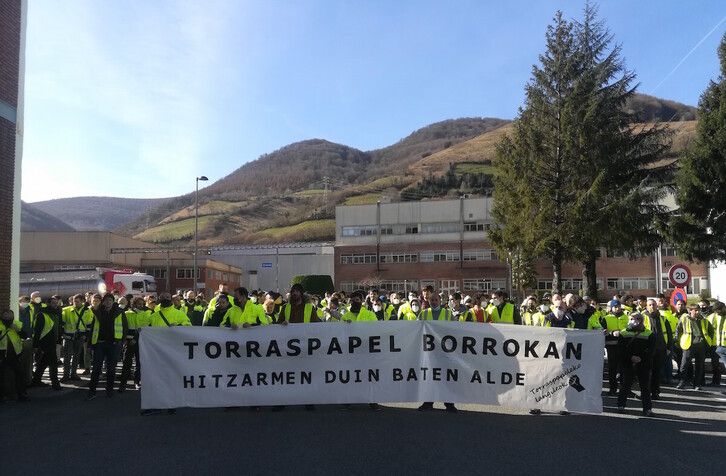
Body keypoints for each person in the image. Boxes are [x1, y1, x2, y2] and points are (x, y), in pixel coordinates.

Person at [417, 292, 457, 413]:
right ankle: (428, 402)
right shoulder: (423, 314)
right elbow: (415, 330)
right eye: (431, 300)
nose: (434, 302)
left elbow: (456, 330)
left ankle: (449, 403)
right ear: (428, 301)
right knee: (429, 377)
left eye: (436, 300)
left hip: (444, 350)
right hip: (428, 351)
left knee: (446, 376)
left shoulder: (448, 313)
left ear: (440, 301)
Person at [87, 294, 127, 400]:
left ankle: (109, 390)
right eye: (106, 300)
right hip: (100, 343)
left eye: (110, 300)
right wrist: (90, 345)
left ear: (113, 301)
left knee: (111, 369)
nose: (108, 302)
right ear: (103, 302)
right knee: (96, 368)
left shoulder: (119, 312)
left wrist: (121, 341)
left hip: (114, 344)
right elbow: (92, 329)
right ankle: (92, 390)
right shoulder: (98, 312)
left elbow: (124, 326)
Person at [616, 312, 656, 417]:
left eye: (632, 319)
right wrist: (630, 358)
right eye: (629, 319)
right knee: (625, 385)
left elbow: (651, 350)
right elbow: (621, 349)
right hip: (628, 362)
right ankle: (621, 405)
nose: (630, 321)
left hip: (644, 364)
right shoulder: (624, 333)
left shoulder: (649, 334)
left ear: (640, 321)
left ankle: (647, 409)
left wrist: (641, 358)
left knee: (645, 387)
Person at [676, 303, 714, 391]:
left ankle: (697, 384)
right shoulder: (684, 320)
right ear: (690, 311)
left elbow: (711, 331)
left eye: (698, 310)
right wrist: (679, 342)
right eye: (695, 310)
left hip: (701, 346)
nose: (697, 312)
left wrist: (708, 341)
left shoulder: (704, 320)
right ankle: (682, 382)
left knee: (699, 366)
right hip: (688, 346)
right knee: (684, 365)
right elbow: (678, 331)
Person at [30, 296, 61, 391]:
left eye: (56, 303)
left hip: (53, 342)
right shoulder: (42, 314)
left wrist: (58, 340)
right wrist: (35, 345)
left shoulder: (57, 314)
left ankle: (36, 380)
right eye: (53, 303)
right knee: (53, 363)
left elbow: (58, 328)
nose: (55, 304)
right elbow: (37, 331)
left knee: (44, 362)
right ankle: (55, 383)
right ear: (48, 304)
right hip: (45, 341)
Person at [643, 299, 672, 400]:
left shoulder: (663, 319)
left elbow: (669, 334)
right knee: (646, 373)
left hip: (660, 349)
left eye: (654, 305)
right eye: (650, 305)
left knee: (656, 372)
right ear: (646, 307)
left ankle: (655, 392)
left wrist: (668, 348)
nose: (652, 307)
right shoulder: (642, 318)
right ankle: (646, 393)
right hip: (647, 350)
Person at [0, 309, 30, 402]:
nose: (7, 319)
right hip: (1, 355)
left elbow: (25, 336)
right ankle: (2, 396)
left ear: (13, 318)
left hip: (15, 355)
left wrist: (18, 330)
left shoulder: (17, 324)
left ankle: (22, 394)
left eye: (9, 318)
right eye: (5, 318)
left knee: (21, 374)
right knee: (1, 377)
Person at [60, 294, 91, 382]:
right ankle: (66, 375)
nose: (75, 303)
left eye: (77, 301)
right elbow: (61, 323)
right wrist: (63, 334)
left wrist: (86, 335)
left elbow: (89, 325)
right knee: (67, 356)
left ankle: (74, 373)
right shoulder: (66, 310)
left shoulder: (87, 311)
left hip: (80, 336)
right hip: (68, 336)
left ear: (82, 302)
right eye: (74, 301)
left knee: (76, 356)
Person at [119, 296, 146, 391]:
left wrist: (136, 338)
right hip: (128, 342)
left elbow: (144, 329)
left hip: (140, 342)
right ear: (134, 304)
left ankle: (137, 382)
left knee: (139, 363)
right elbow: (123, 328)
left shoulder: (144, 314)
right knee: (126, 363)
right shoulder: (126, 314)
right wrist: (124, 340)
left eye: (142, 304)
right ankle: (123, 384)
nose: (141, 306)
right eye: (139, 304)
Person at [602, 300, 628, 396]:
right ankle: (613, 388)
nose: (617, 308)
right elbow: (604, 332)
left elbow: (629, 329)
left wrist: (622, 333)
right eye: (615, 307)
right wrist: (612, 333)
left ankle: (625, 388)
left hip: (624, 346)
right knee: (612, 368)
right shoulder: (606, 318)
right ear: (611, 308)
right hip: (611, 346)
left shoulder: (626, 317)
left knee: (624, 368)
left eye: (618, 306)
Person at [712, 301, 726, 385]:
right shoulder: (718, 316)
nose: (718, 313)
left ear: (724, 308)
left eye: (719, 311)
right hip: (720, 346)